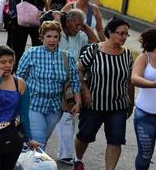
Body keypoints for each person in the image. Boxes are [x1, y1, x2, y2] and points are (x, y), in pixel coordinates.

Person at [74, 17, 135, 170]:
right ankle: (78, 159)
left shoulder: (127, 55)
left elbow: (129, 80)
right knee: (84, 136)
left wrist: (131, 102)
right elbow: (78, 70)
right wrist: (85, 90)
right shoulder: (94, 50)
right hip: (93, 104)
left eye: (126, 34)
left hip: (118, 106)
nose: (123, 37)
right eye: (120, 33)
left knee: (116, 141)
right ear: (109, 32)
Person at [16, 21, 81, 148]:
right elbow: (19, 79)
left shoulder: (67, 56)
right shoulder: (31, 53)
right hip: (33, 104)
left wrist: (77, 102)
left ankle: (23, 159)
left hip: (55, 108)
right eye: (48, 36)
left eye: (55, 37)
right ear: (42, 37)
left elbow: (75, 81)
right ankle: (37, 165)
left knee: (41, 140)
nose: (52, 40)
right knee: (39, 140)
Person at [54, 9, 99, 165]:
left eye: (81, 25)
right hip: (54, 78)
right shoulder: (57, 32)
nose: (78, 28)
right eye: (76, 24)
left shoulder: (81, 36)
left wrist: (85, 26)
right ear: (67, 22)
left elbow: (96, 43)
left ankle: (65, 154)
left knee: (68, 117)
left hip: (72, 80)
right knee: (50, 116)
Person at [131, 26, 156, 170]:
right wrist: (152, 84)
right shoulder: (144, 57)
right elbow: (134, 78)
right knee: (145, 156)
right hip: (145, 116)